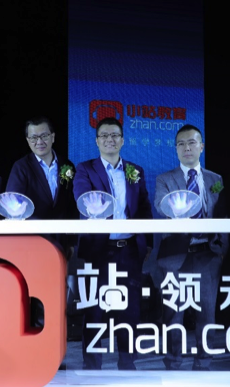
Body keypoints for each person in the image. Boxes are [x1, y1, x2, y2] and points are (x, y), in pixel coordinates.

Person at [73, 117, 153, 370]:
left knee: (130, 310)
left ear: (123, 140)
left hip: (129, 250)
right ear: (97, 141)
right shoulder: (85, 169)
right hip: (98, 250)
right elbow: (84, 201)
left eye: (115, 135)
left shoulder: (135, 170)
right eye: (104, 136)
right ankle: (92, 366)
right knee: (94, 310)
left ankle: (127, 363)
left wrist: (148, 243)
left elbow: (144, 207)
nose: (110, 139)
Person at [154, 124, 228, 371]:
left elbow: (223, 216)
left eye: (192, 142)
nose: (187, 147)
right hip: (175, 255)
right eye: (181, 144)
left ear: (201, 146)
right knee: (173, 314)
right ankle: (173, 363)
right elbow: (162, 207)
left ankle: (204, 363)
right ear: (176, 149)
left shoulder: (215, 179)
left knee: (207, 313)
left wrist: (222, 248)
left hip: (207, 254)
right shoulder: (164, 179)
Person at [6, 116, 79, 255]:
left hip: (61, 239)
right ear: (28, 140)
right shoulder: (21, 167)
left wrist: (71, 241)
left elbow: (72, 206)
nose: (39, 142)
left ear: (53, 137)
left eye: (44, 136)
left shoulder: (67, 165)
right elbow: (13, 205)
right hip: (33, 239)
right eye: (34, 138)